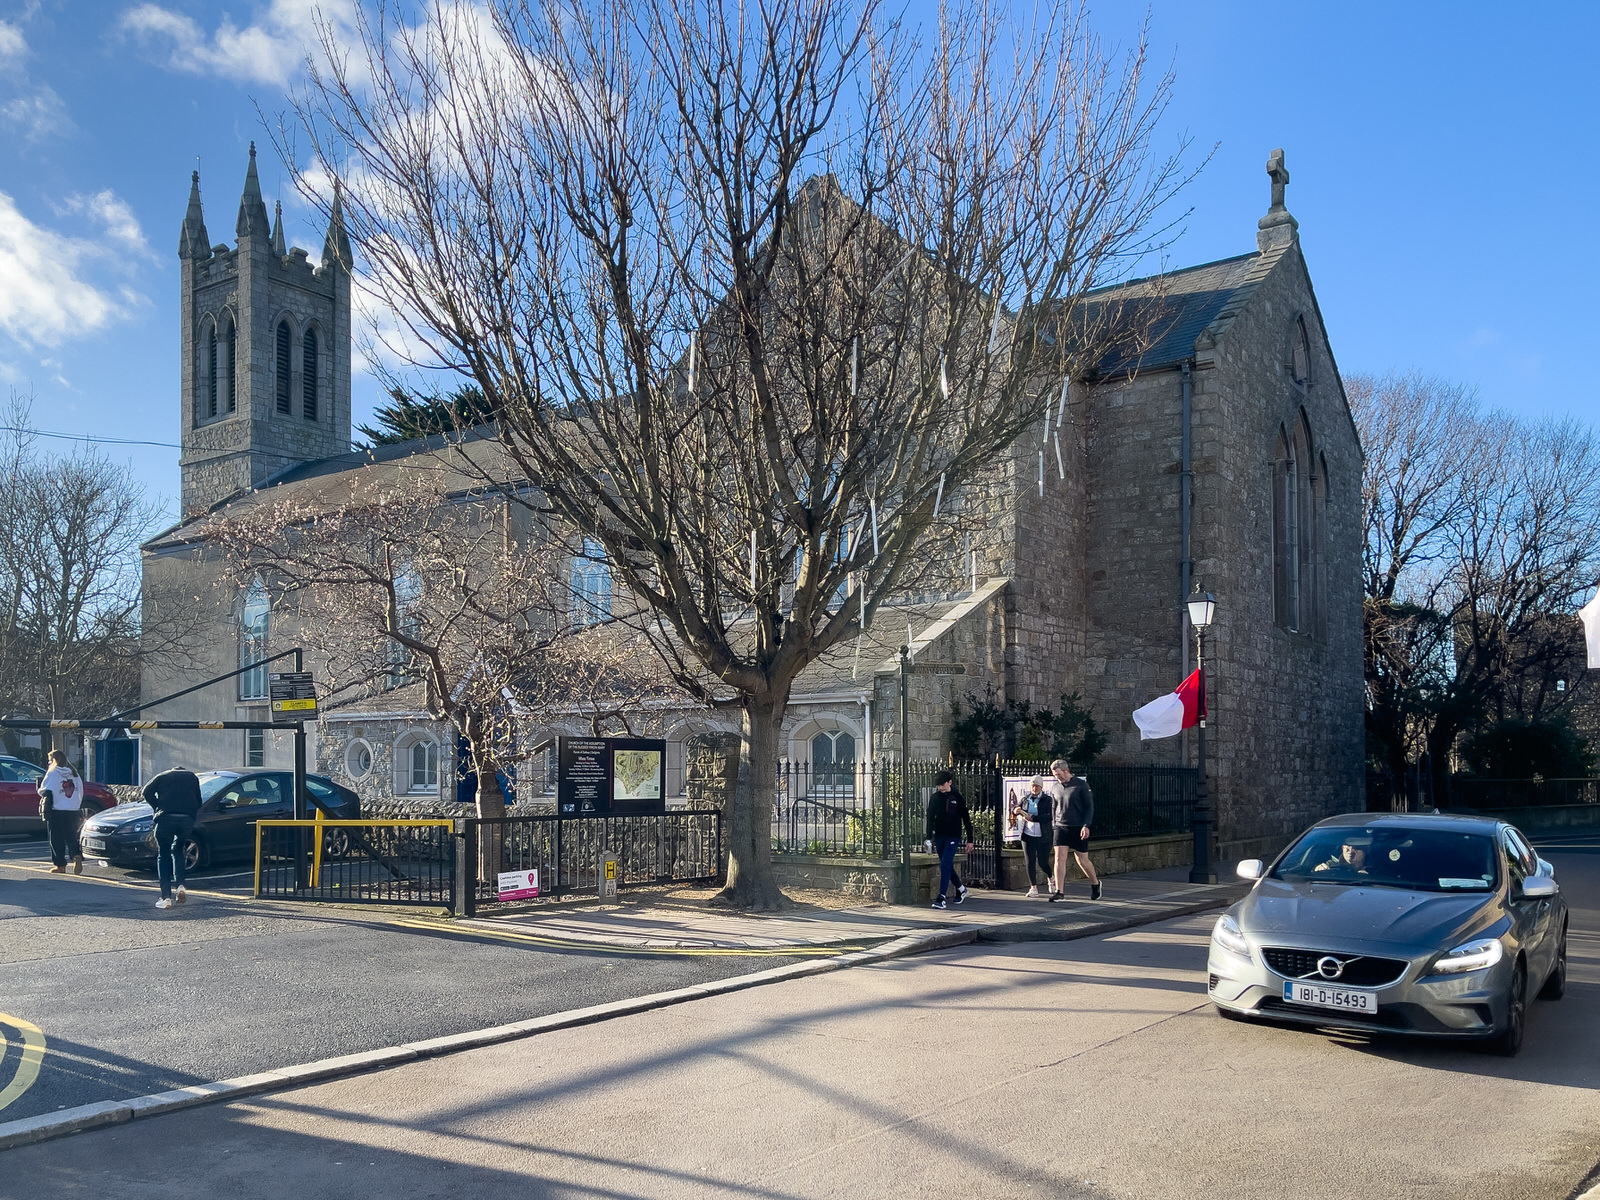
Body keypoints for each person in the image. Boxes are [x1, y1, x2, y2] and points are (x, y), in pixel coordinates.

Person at [142, 765, 203, 910]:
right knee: (178, 848)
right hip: (186, 820)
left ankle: (166, 897)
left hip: (166, 818)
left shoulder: (163, 776)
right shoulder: (192, 778)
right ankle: (181, 885)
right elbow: (198, 801)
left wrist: (157, 806)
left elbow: (146, 791)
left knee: (163, 854)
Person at [1048, 758, 1101, 902]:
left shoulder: (1081, 785)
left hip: (1078, 826)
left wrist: (1086, 825)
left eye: (1058, 774)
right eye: (1054, 775)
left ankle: (1095, 883)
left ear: (1066, 770)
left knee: (1082, 859)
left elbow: (1089, 807)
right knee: (1059, 857)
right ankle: (1060, 892)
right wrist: (1054, 824)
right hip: (1060, 826)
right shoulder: (1055, 787)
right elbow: (1054, 807)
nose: (1056, 777)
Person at [923, 770, 974, 910]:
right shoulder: (935, 798)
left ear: (950, 782)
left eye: (942, 785)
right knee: (946, 865)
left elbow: (966, 818)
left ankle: (941, 897)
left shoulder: (957, 797)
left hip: (953, 835)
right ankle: (961, 888)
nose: (940, 788)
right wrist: (928, 838)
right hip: (939, 835)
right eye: (938, 786)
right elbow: (930, 818)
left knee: (945, 864)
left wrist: (970, 840)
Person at [38, 750, 86, 875]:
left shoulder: (53, 773)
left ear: (53, 760)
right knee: (72, 837)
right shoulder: (74, 773)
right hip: (73, 810)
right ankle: (76, 855)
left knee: (56, 839)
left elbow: (44, 790)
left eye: (50, 760)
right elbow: (81, 791)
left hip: (57, 810)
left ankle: (60, 865)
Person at [1019, 776, 1053, 897]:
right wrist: (1017, 810)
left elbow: (1049, 816)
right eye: (1033, 786)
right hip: (1028, 835)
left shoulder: (1047, 799)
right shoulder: (1025, 799)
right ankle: (1033, 887)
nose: (1035, 788)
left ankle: (1050, 877)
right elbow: (1017, 808)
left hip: (1043, 835)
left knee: (1043, 862)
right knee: (1030, 861)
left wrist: (1033, 818)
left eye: (1037, 786)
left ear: (1041, 787)